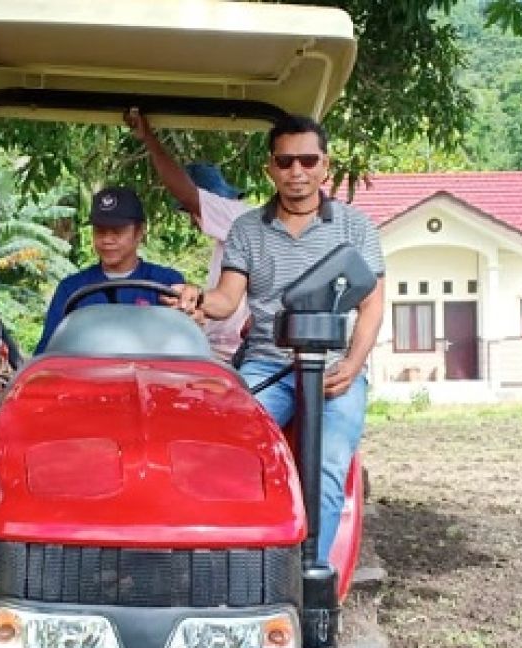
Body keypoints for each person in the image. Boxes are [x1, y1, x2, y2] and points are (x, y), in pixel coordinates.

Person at [167, 115, 386, 565]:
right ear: (271, 168)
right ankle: (233, 568)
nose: (297, 172)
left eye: (308, 160)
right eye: (286, 161)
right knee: (230, 454)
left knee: (325, 467)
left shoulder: (356, 228)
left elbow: (372, 306)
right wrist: (197, 299)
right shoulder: (247, 229)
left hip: (333, 369)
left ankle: (312, 585)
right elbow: (227, 299)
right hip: (268, 365)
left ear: (325, 165)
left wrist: (353, 364)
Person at [126, 110, 252, 362]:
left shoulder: (239, 218)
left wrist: (149, 139)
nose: (194, 220)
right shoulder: (227, 240)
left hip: (236, 355)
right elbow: (221, 305)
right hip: (214, 349)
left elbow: (186, 193)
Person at [34, 187, 185, 354]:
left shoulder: (167, 283)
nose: (107, 240)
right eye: (100, 231)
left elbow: (182, 349)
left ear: (139, 232)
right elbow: (48, 351)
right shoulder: (71, 288)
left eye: (117, 231)